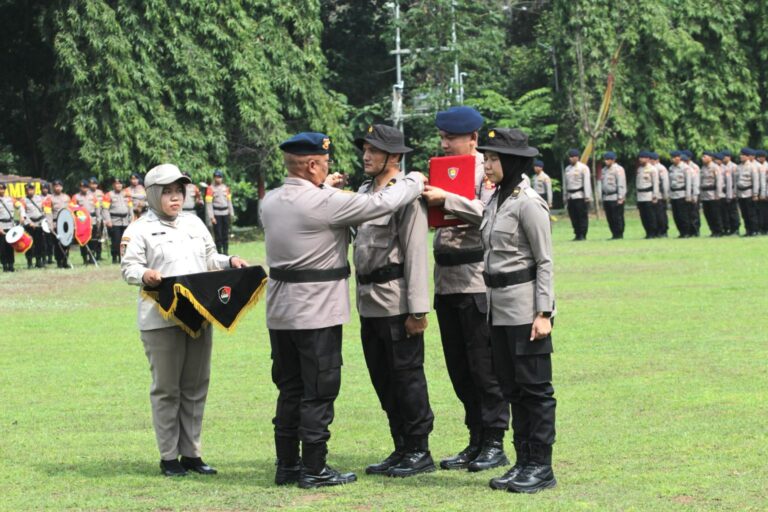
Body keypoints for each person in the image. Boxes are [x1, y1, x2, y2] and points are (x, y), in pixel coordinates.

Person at [260, 132, 426, 489]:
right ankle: (316, 467)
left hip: (280, 313)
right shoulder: (324, 202)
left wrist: (325, 189)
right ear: (313, 165)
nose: (329, 169)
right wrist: (415, 179)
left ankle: (287, 465)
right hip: (317, 311)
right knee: (319, 388)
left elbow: (310, 205)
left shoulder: (270, 201)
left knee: (289, 388)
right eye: (325, 164)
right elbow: (382, 203)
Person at [121, 163, 247, 477]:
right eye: (167, 192)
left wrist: (229, 261)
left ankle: (192, 454)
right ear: (152, 195)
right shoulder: (138, 229)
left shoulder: (193, 223)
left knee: (195, 386)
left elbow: (210, 258)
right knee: (167, 389)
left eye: (179, 191)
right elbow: (128, 268)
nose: (175, 198)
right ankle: (168, 457)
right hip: (160, 320)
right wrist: (145, 274)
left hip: (198, 316)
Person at [421, 106, 510, 473]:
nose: (444, 144)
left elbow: (488, 212)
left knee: (482, 365)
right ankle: (475, 439)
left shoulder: (484, 171)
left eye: (451, 138)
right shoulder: (441, 170)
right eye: (442, 138)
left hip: (475, 279)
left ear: (472, 138)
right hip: (446, 280)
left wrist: (447, 200)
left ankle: (494, 441)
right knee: (458, 366)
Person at [476, 128, 557, 494]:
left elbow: (544, 261)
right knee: (512, 388)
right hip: (498, 311)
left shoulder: (527, 202)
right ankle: (522, 460)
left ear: (511, 162)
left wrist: (544, 313)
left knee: (535, 389)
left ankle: (541, 466)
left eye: (493, 159)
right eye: (486, 158)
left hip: (526, 312)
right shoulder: (495, 201)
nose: (487, 165)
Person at [352, 124, 435, 477]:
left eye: (374, 149)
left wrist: (417, 309)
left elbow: (416, 252)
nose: (366, 155)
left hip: (397, 301)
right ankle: (401, 446)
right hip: (369, 300)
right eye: (365, 148)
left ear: (395, 156)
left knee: (407, 376)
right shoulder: (365, 191)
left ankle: (419, 449)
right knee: (382, 377)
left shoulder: (406, 197)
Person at [102, 177, 133, 264]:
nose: (119, 185)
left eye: (120, 183)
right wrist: (108, 220)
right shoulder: (108, 195)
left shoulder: (126, 194)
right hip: (114, 221)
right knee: (116, 241)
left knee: (125, 240)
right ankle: (115, 257)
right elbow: (105, 209)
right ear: (113, 185)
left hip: (125, 221)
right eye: (116, 183)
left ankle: (123, 257)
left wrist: (132, 218)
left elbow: (130, 208)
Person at [563, 149, 591, 241]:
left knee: (581, 216)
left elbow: (587, 183)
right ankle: (577, 233)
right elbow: (565, 184)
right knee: (573, 216)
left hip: (580, 195)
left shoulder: (583, 168)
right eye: (569, 157)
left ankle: (583, 234)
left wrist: (587, 196)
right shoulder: (567, 169)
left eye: (572, 157)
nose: (570, 159)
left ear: (577, 157)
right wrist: (565, 196)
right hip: (570, 196)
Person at [71, 179, 100, 264]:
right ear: (80, 188)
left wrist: (99, 219)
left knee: (93, 240)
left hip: (92, 220)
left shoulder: (93, 197)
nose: (84, 189)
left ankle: (92, 257)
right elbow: (73, 210)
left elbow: (97, 209)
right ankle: (84, 258)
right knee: (83, 240)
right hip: (82, 221)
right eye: (82, 187)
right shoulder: (75, 197)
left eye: (85, 187)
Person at [205, 170, 234, 255]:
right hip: (216, 214)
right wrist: (211, 216)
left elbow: (229, 201)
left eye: (219, 177)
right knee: (218, 235)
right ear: (214, 178)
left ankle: (226, 252)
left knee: (225, 234)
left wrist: (231, 213)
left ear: (222, 178)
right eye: (216, 177)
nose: (218, 179)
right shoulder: (210, 188)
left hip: (225, 213)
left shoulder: (226, 188)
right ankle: (219, 252)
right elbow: (209, 204)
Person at [600, 151, 626, 239]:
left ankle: (619, 233)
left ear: (613, 160)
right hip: (607, 197)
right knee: (610, 217)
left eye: (608, 159)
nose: (606, 161)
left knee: (617, 217)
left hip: (615, 196)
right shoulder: (604, 170)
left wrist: (620, 197)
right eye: (605, 159)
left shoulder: (618, 169)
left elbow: (621, 184)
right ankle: (614, 233)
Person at [668, 151, 694, 238]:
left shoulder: (685, 168)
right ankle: (681, 232)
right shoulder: (671, 168)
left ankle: (686, 232)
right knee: (676, 215)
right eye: (671, 157)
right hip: (674, 194)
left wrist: (688, 195)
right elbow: (670, 182)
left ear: (678, 158)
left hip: (682, 194)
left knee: (683, 215)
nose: (672, 159)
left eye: (674, 157)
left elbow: (688, 183)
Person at [734, 148, 759, 236]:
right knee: (744, 214)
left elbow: (755, 181)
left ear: (747, 157)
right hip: (740, 193)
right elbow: (735, 181)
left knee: (751, 213)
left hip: (749, 192)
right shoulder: (738, 167)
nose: (741, 156)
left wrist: (755, 194)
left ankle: (754, 230)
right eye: (740, 155)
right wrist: (735, 192)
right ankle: (748, 230)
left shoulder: (752, 167)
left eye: (743, 155)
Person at [699, 151, 724, 237]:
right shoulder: (703, 168)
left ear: (710, 158)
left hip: (713, 194)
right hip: (705, 194)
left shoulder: (715, 167)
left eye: (705, 157)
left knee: (715, 214)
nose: (703, 158)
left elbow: (719, 181)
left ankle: (719, 231)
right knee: (708, 214)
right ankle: (713, 230)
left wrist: (718, 194)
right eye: (702, 157)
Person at [22, 183, 47, 268]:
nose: (30, 191)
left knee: (40, 243)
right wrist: (29, 223)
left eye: (31, 189)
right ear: (25, 191)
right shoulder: (23, 200)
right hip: (29, 225)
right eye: (28, 190)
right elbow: (23, 213)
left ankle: (38, 261)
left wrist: (44, 221)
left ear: (34, 189)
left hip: (39, 224)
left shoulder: (40, 199)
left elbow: (44, 210)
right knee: (29, 244)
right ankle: (29, 262)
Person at [636, 151, 660, 238]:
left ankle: (653, 232)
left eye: (642, 158)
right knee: (643, 216)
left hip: (648, 195)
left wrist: (655, 196)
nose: (640, 159)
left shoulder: (652, 169)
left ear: (647, 159)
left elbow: (655, 184)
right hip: (640, 195)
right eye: (639, 158)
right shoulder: (639, 169)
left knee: (651, 216)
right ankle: (647, 232)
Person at [0, 182, 24, 272]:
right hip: (1, 225)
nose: (1, 190)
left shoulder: (11, 199)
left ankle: (11, 265)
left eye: (3, 188)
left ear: (5, 189)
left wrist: (22, 216)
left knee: (11, 246)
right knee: (2, 248)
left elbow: (20, 206)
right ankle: (5, 265)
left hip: (11, 225)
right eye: (0, 188)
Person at [48, 179, 71, 268]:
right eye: (55, 186)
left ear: (62, 187)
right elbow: (48, 212)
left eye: (59, 186)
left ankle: (65, 261)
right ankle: (59, 262)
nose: (57, 188)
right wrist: (50, 225)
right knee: (58, 244)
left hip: (66, 223)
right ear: (53, 187)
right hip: (56, 223)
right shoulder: (49, 198)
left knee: (67, 242)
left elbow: (71, 210)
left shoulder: (67, 197)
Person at [721, 151, 740, 235]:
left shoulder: (734, 166)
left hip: (732, 191)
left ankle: (735, 229)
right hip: (723, 192)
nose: (723, 159)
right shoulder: (721, 166)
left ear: (729, 157)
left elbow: (736, 181)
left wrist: (735, 193)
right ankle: (728, 228)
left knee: (733, 211)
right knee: (725, 212)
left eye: (724, 157)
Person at [683, 151, 701, 236]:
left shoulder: (694, 167)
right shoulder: (684, 167)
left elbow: (696, 182)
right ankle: (689, 230)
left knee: (694, 213)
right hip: (686, 193)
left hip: (694, 192)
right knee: (687, 213)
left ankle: (695, 231)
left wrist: (695, 195)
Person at [651, 152, 670, 237]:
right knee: (654, 215)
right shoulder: (650, 168)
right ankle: (656, 231)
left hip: (660, 195)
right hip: (652, 195)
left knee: (661, 215)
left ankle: (663, 231)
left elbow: (665, 183)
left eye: (652, 159)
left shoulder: (661, 168)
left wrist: (665, 196)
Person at [88, 177, 105, 260]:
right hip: (91, 217)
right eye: (92, 184)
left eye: (95, 184)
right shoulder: (86, 193)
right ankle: (91, 254)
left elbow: (104, 205)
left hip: (100, 216)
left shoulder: (100, 193)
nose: (93, 185)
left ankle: (99, 254)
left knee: (99, 236)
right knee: (92, 237)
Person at [40, 183, 55, 264]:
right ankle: (43, 258)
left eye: (46, 188)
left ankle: (50, 258)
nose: (44, 190)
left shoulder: (51, 197)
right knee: (43, 242)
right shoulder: (38, 198)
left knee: (50, 241)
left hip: (50, 221)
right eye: (43, 188)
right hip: (41, 221)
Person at [756, 149, 768, 234]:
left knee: (765, 212)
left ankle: (765, 228)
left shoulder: (766, 166)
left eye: (763, 157)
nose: (762, 158)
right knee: (758, 212)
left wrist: (765, 193)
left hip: (766, 192)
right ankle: (760, 227)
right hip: (757, 191)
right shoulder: (756, 166)